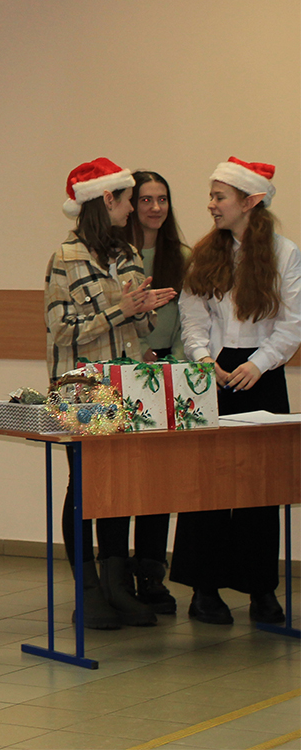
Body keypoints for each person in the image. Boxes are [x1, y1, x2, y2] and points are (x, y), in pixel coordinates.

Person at [44, 158, 177, 629]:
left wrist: (144, 309)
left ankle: (117, 585)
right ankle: (88, 590)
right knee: (84, 487)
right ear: (106, 200)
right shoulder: (65, 257)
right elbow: (62, 330)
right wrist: (121, 309)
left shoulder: (128, 253)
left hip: (126, 385)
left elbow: (139, 328)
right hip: (81, 389)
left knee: (119, 485)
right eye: (127, 199)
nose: (133, 208)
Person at [171, 157, 301, 625]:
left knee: (260, 487)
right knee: (207, 485)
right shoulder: (206, 253)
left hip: (262, 376)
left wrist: (258, 364)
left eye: (219, 196)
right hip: (214, 374)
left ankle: (261, 588)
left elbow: (292, 324)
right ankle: (203, 589)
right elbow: (192, 316)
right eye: (211, 195)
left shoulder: (284, 253)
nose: (211, 204)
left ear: (250, 202)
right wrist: (203, 358)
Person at [124, 169, 192, 614]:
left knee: (158, 481)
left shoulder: (182, 257)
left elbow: (192, 321)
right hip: (126, 370)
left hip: (169, 373)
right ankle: (114, 576)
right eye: (146, 199)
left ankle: (151, 573)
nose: (155, 207)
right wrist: (140, 355)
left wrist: (176, 364)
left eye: (161, 199)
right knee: (122, 478)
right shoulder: (116, 255)